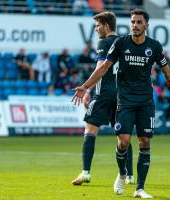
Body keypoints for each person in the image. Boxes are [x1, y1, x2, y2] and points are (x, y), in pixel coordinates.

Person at [71, 8, 170, 199]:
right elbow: (104, 67)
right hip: (125, 101)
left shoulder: (154, 46)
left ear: (146, 25)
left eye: (139, 22)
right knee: (123, 142)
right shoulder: (121, 43)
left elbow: (167, 72)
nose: (135, 25)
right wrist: (85, 86)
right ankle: (122, 174)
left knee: (144, 142)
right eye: (132, 22)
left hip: (146, 101)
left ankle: (139, 188)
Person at [71, 11, 134, 186]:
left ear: (107, 26)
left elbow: (101, 67)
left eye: (98, 25)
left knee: (90, 131)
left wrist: (87, 88)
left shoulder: (104, 42)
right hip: (123, 95)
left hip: (104, 93)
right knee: (123, 136)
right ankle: (129, 176)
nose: (96, 29)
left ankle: (85, 173)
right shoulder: (125, 43)